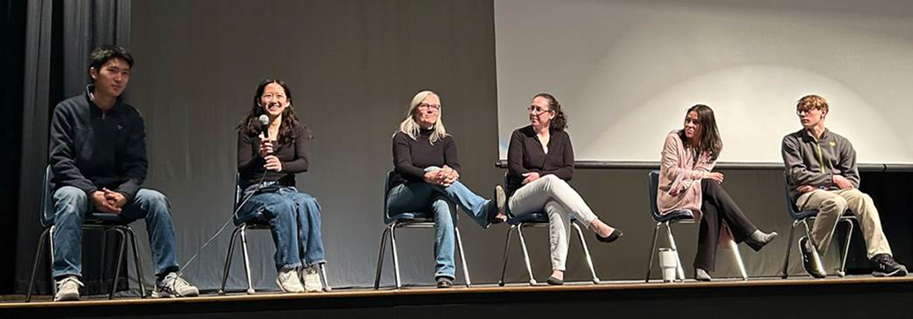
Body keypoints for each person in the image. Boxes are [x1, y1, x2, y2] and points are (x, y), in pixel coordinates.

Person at [48, 45, 198, 301]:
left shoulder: (131, 116)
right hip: (78, 189)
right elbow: (60, 160)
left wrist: (125, 194)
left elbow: (138, 165)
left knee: (156, 200)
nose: (119, 78)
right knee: (71, 197)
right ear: (94, 73)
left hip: (117, 194)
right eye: (113, 71)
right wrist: (91, 192)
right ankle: (67, 278)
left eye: (125, 73)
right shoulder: (67, 110)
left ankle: (166, 277)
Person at [387, 90, 506, 288]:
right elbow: (403, 166)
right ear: (415, 109)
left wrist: (452, 174)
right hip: (403, 194)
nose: (431, 110)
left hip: (434, 194)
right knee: (435, 171)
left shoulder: (446, 140)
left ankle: (445, 274)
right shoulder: (402, 137)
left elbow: (455, 166)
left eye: (435, 107)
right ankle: (483, 210)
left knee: (444, 203)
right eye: (426, 105)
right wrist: (428, 175)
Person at [782, 94, 907, 278]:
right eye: (799, 111)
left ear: (823, 112)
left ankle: (881, 256)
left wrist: (820, 184)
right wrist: (832, 179)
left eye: (807, 110)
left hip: (828, 191)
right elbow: (797, 174)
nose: (802, 115)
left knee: (863, 198)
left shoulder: (841, 143)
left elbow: (852, 181)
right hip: (806, 195)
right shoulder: (792, 141)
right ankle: (812, 247)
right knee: (836, 202)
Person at [506, 93, 622, 286]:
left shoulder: (562, 137)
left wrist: (540, 175)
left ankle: (558, 270)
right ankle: (595, 224)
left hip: (547, 196)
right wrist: (543, 177)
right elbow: (515, 169)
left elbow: (568, 171)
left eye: (538, 109)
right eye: (531, 108)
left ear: (551, 114)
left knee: (558, 207)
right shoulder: (520, 136)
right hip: (520, 198)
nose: (533, 113)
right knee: (551, 180)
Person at [657, 104, 777, 281]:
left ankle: (702, 268)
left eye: (695, 122)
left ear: (706, 126)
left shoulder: (713, 147)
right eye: (687, 120)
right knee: (709, 184)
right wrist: (701, 177)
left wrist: (698, 178)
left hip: (693, 191)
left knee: (711, 205)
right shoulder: (674, 138)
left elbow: (697, 177)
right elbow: (671, 171)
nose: (689, 125)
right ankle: (750, 233)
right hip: (672, 195)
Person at [236, 79, 326, 293]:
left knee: (308, 203)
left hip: (286, 190)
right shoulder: (248, 132)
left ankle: (311, 266)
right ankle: (288, 268)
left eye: (279, 96)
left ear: (287, 102)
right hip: (255, 193)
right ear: (259, 101)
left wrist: (281, 165)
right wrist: (260, 157)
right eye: (268, 96)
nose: (273, 100)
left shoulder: (297, 130)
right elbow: (243, 170)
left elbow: (303, 163)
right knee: (283, 207)